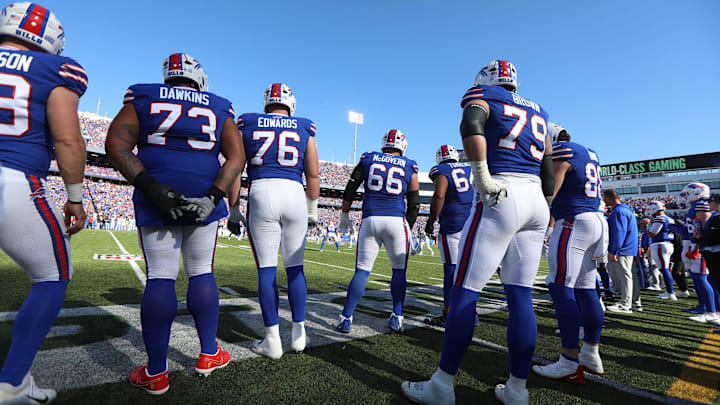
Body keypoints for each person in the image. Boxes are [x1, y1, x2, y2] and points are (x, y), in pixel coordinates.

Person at [402, 59, 553, 405]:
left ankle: (442, 385)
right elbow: (546, 164)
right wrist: (546, 206)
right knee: (520, 297)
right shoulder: (540, 111)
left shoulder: (483, 94)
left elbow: (471, 123)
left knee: (465, 291)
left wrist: (482, 176)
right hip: (535, 200)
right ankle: (517, 390)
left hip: (502, 192)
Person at [106, 52, 245, 395]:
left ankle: (156, 373)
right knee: (201, 272)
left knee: (161, 276)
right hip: (204, 198)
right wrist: (213, 197)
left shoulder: (143, 96)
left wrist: (152, 188)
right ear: (199, 78)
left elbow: (116, 144)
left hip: (157, 194)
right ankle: (209, 353)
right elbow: (237, 157)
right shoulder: (218, 105)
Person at [0, 4, 88, 403]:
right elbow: (69, 140)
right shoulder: (54, 70)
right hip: (14, 180)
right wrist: (75, 199)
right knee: (53, 276)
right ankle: (13, 383)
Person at [229, 83, 320, 360]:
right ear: (290, 104)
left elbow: (235, 168)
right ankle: (299, 333)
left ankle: (272, 340)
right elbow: (313, 175)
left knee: (267, 271)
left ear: (266, 102)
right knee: (295, 269)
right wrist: (312, 210)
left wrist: (233, 209)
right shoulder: (304, 127)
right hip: (294, 193)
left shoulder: (248, 122)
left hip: (262, 191)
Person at [531, 125, 607, 384]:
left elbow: (552, 189)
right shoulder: (590, 152)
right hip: (597, 220)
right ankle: (591, 353)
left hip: (574, 221)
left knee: (559, 285)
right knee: (586, 287)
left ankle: (568, 361)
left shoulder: (561, 151)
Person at [334, 129, 420, 333]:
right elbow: (415, 204)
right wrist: (408, 226)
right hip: (396, 221)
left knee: (362, 271)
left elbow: (350, 188)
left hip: (370, 219)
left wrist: (345, 215)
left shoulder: (368, 158)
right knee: (399, 271)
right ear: (403, 146)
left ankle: (345, 318)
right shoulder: (410, 165)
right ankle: (397, 316)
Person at [424, 144, 473, 327]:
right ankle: (471, 311)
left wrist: (431, 220)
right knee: (468, 270)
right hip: (470, 223)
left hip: (452, 224)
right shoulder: (469, 168)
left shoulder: (441, 169)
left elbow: (439, 195)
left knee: (451, 271)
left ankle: (448, 314)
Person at [678, 184, 718, 322]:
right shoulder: (696, 206)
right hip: (693, 244)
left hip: (698, 246)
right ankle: (704, 306)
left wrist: (697, 246)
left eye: (689, 193)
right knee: (698, 278)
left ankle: (712, 311)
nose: (686, 196)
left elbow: (704, 227)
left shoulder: (701, 205)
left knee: (703, 278)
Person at [602, 189, 641, 313]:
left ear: (607, 198)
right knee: (630, 276)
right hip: (629, 248)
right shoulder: (626, 210)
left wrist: (614, 251)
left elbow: (620, 232)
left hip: (623, 249)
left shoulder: (618, 211)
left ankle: (625, 304)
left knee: (625, 276)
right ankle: (634, 302)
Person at [646, 201, 677, 300]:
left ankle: (670, 292)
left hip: (660, 244)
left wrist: (647, 228)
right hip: (668, 244)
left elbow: (652, 233)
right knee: (665, 268)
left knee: (664, 269)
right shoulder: (670, 219)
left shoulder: (659, 218)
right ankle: (669, 290)